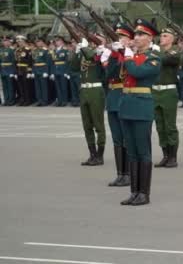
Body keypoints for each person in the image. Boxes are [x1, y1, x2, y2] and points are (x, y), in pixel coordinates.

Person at [120, 19, 161, 206]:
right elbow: (113, 74)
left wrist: (127, 56)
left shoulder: (153, 58)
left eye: (141, 34)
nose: (136, 37)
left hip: (142, 106)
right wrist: (113, 54)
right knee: (132, 151)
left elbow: (137, 73)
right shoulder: (131, 56)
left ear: (150, 38)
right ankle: (134, 192)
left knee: (143, 151)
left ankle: (144, 193)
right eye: (135, 34)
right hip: (127, 105)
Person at [102, 23, 134, 187]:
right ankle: (120, 173)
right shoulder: (115, 55)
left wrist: (122, 53)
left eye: (123, 37)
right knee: (116, 139)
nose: (120, 40)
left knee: (126, 138)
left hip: (125, 96)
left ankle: (129, 173)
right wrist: (114, 54)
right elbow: (109, 74)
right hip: (113, 97)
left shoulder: (133, 54)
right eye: (118, 37)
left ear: (130, 40)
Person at [72, 36, 106, 166]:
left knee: (98, 124)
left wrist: (85, 48)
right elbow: (74, 67)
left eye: (95, 40)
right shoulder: (84, 52)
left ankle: (100, 155)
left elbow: (93, 57)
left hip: (96, 90)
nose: (92, 42)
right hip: (84, 91)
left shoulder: (101, 52)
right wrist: (77, 51)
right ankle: (92, 154)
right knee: (87, 125)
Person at [152, 28, 181, 168]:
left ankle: (173, 157)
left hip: (168, 92)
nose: (161, 38)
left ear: (172, 39)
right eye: (161, 35)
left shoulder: (175, 51)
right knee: (160, 126)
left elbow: (164, 59)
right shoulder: (156, 51)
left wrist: (154, 51)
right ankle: (165, 155)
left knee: (169, 126)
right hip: (155, 92)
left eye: (165, 36)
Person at [51, 35, 70, 107]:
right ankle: (59, 100)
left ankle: (64, 101)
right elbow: (53, 62)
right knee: (58, 87)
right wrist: (52, 72)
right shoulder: (54, 51)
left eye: (58, 41)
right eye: (56, 41)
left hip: (63, 70)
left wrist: (66, 72)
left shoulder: (65, 50)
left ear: (62, 41)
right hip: (56, 71)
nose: (56, 42)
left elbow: (67, 62)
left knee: (63, 86)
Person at [32, 37, 51, 106]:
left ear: (42, 42)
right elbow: (33, 62)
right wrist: (33, 72)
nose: (38, 43)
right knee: (37, 87)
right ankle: (39, 100)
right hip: (36, 70)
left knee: (44, 87)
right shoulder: (34, 51)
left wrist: (46, 71)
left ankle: (45, 101)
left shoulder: (45, 51)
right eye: (37, 42)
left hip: (43, 70)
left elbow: (47, 62)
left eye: (39, 42)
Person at [0, 35, 17, 106]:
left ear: (9, 42)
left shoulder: (11, 50)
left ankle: (11, 100)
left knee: (10, 86)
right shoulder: (1, 50)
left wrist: (13, 72)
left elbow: (14, 62)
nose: (5, 42)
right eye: (4, 41)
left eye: (6, 41)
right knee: (5, 86)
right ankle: (6, 100)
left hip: (9, 70)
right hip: (3, 70)